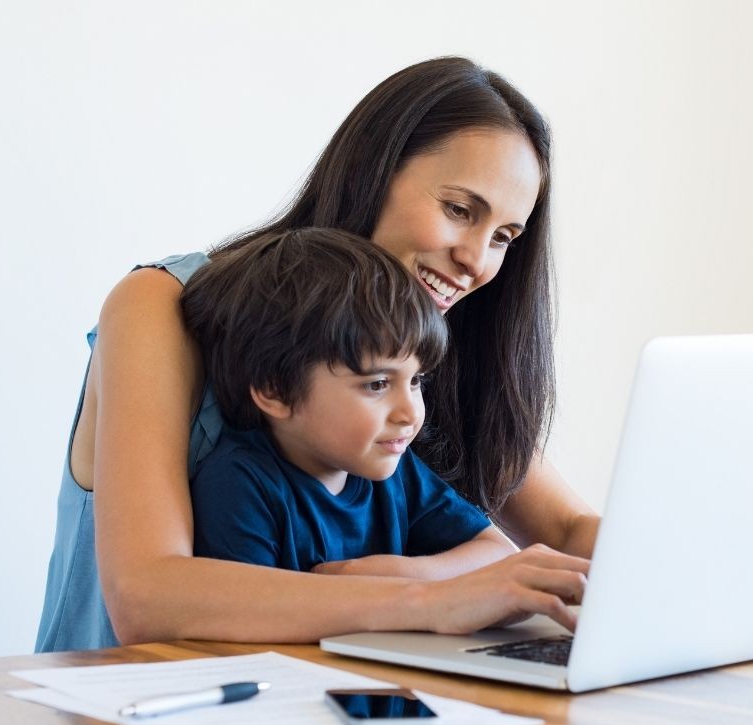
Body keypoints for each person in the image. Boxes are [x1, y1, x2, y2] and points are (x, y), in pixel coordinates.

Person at [36, 56, 600, 652]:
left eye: (504, 238)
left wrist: (686, 565)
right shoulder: (163, 304)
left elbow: (564, 530)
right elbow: (148, 596)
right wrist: (432, 599)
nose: (478, 262)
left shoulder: (423, 346)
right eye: (460, 210)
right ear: (371, 174)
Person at [183, 227, 516, 585]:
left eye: (417, 380)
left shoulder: (396, 469)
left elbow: (497, 552)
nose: (410, 413)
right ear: (275, 390)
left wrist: (405, 576)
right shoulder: (239, 484)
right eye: (377, 384)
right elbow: (241, 616)